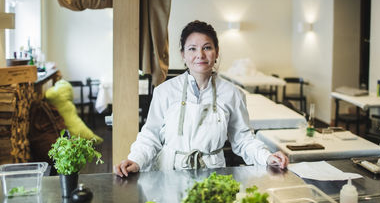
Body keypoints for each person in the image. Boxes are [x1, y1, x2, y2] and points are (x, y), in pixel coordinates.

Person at [114, 20, 288, 177]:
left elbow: (243, 139)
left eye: (207, 47)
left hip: (212, 173)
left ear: (216, 52)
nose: (200, 55)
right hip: (169, 174)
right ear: (182, 54)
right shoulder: (164, 92)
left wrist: (267, 156)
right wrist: (135, 159)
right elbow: (150, 135)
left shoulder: (232, 94)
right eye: (192, 48)